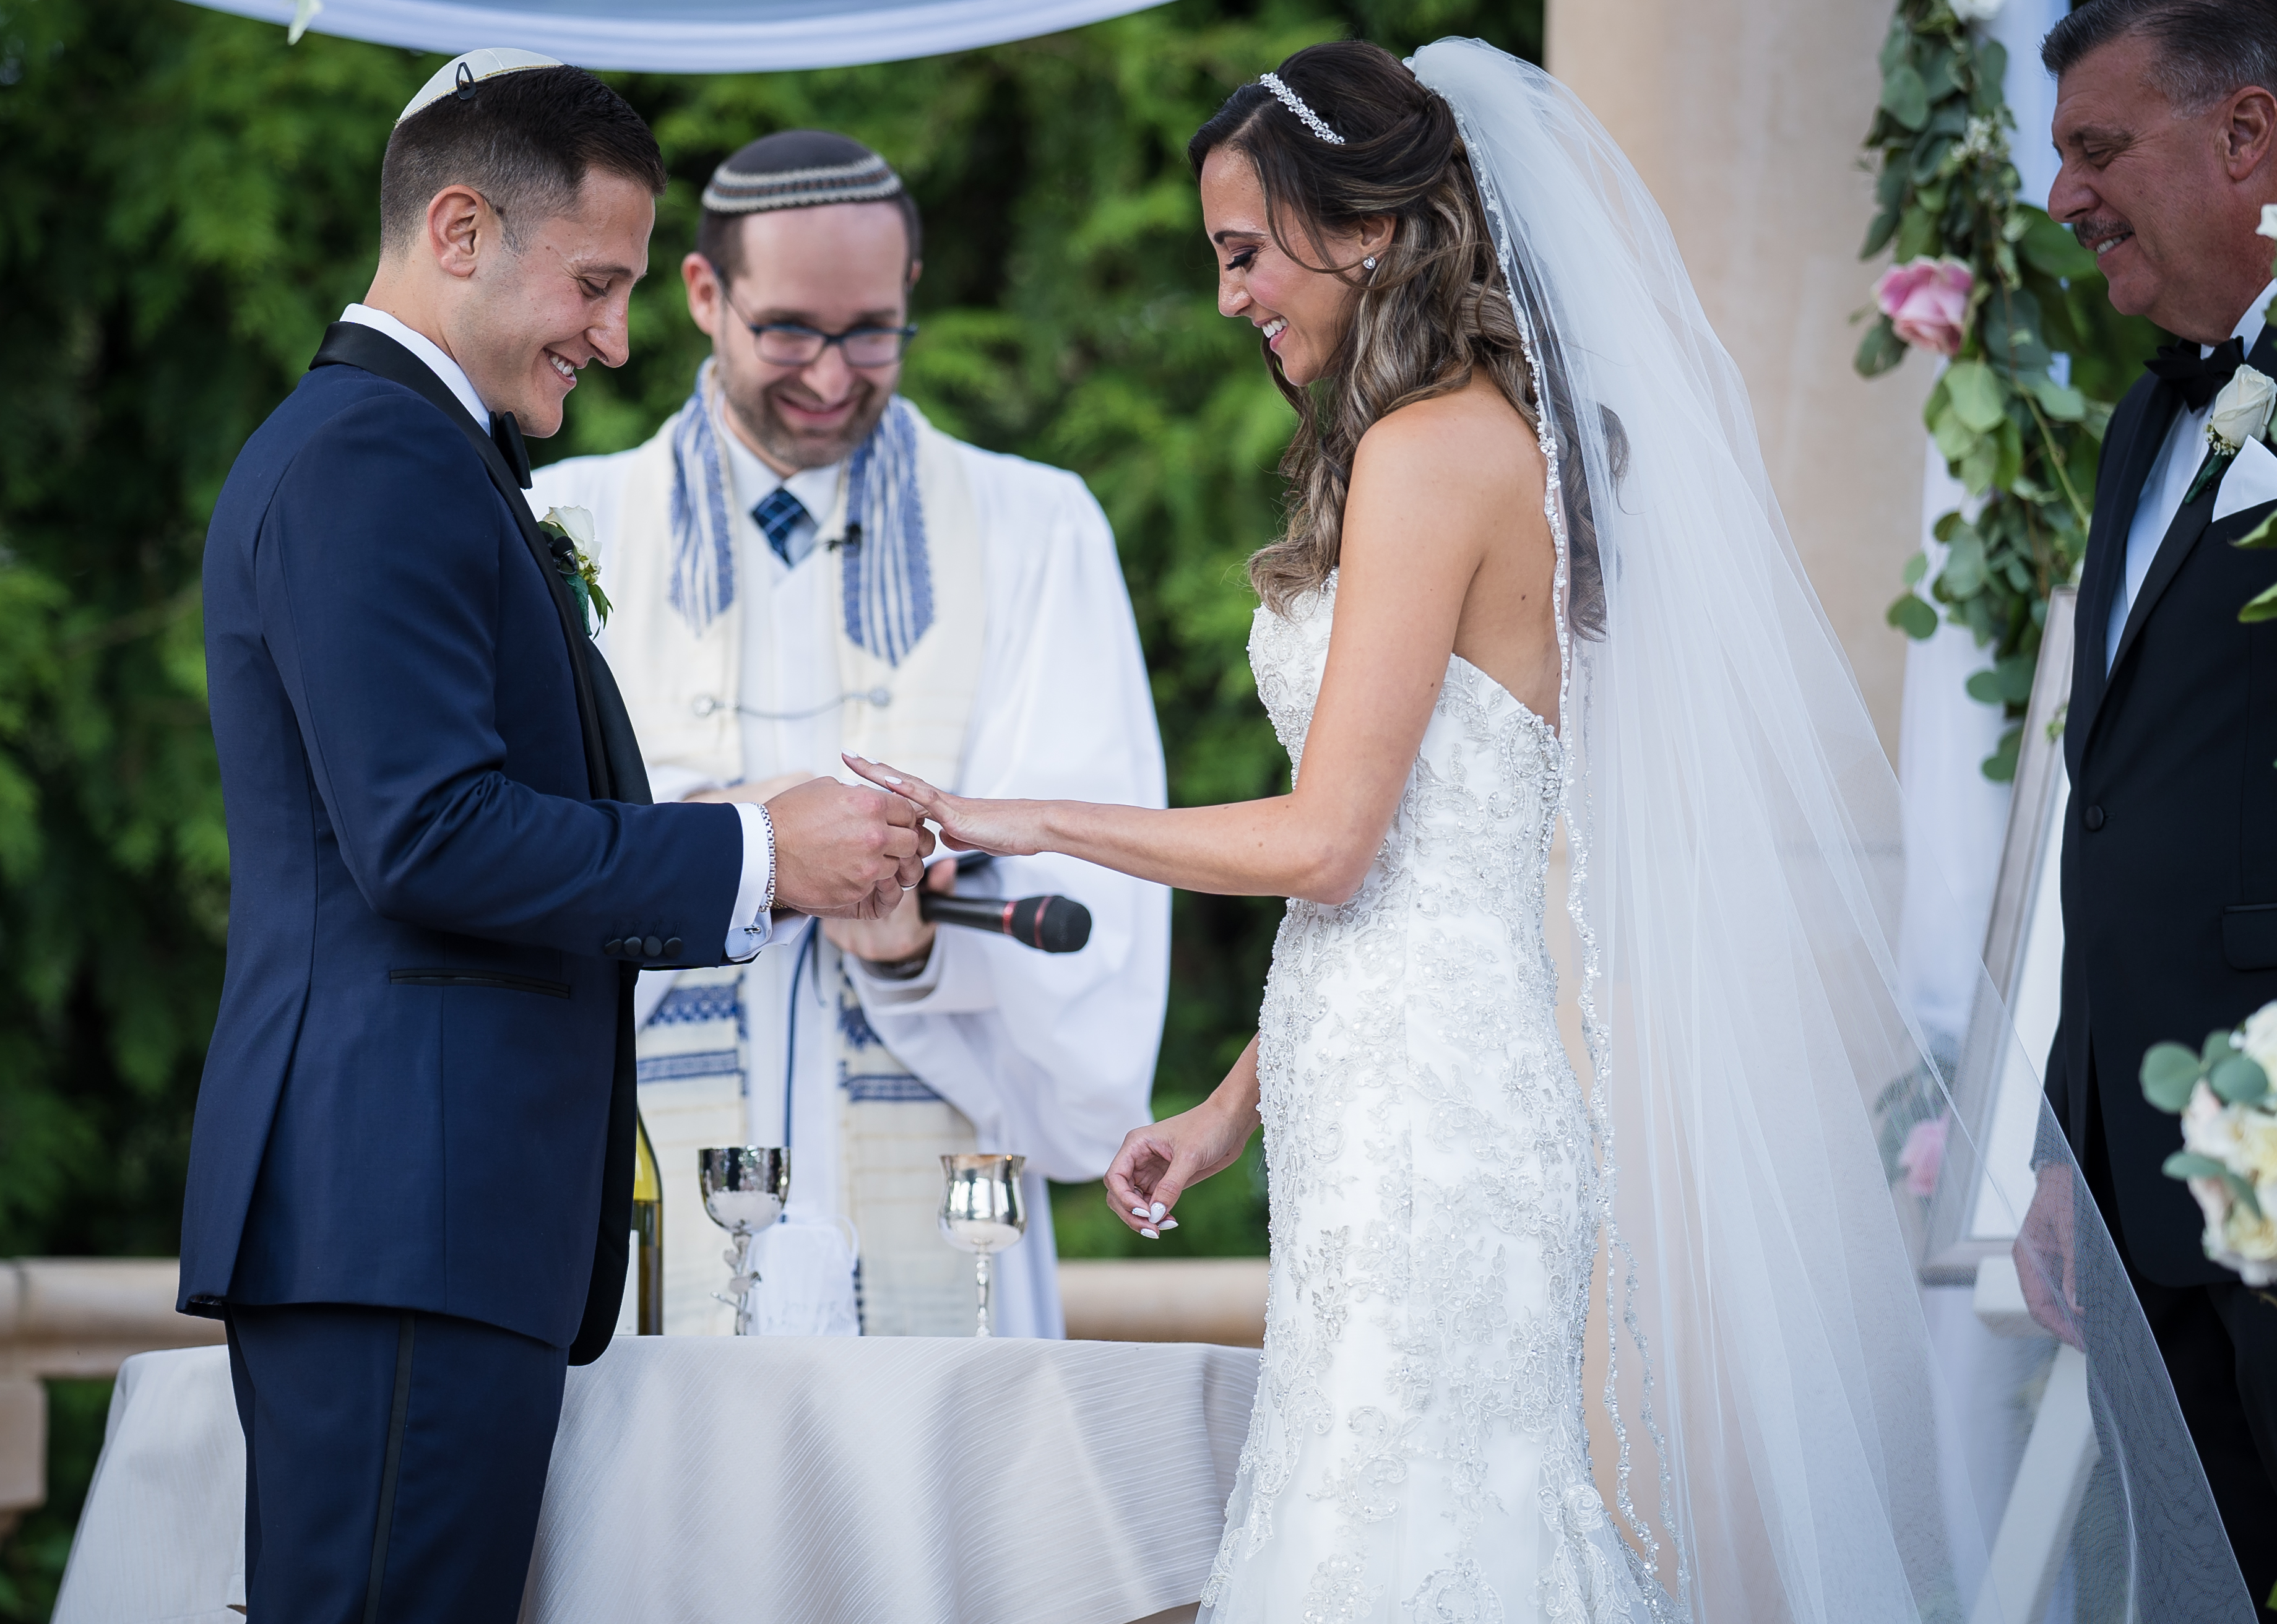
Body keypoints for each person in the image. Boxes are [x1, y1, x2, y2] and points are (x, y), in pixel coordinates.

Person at [847, 36, 2252, 1622]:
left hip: (1429, 1117)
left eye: (1244, 252)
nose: (1231, 296)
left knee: (1412, 1525)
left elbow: (1329, 844)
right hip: (1384, 1083)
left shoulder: (1431, 450)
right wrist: (1235, 1104)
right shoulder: (1443, 442)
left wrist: (1021, 815)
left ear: (1362, 229)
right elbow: (1407, 863)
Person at [179, 53, 930, 1623]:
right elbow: (426, 835)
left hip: (427, 1221)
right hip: (401, 1214)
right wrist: (755, 857)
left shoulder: (424, 452)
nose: (617, 334)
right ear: (460, 229)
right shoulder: (375, 457)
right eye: (595, 282)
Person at [528, 130, 1167, 1338]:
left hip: (939, 1196)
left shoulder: (1036, 528)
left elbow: (1097, 891)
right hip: (647, 1180)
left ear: (911, 292)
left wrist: (916, 952)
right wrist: (741, 847)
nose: (830, 376)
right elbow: (514, 865)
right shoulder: (563, 522)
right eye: (789, 331)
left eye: (871, 331)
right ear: (705, 294)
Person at [2013, 0, 2277, 1610]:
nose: (2066, 197)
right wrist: (2071, 1142)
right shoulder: (2141, 426)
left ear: (2247, 136)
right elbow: (2110, 807)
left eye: (2099, 150)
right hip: (2139, 1175)